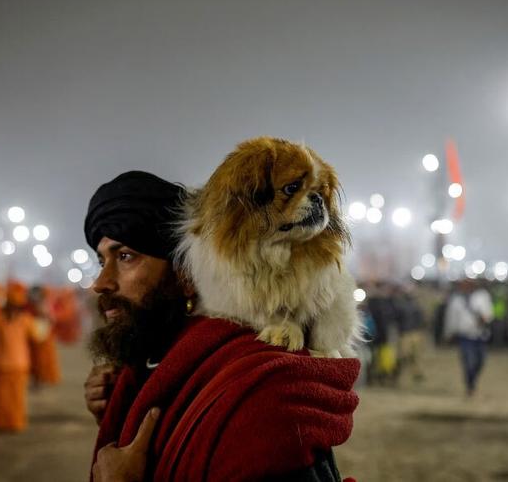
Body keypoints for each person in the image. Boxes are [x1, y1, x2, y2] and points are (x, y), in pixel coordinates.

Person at [83, 171, 359, 482]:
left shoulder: (258, 389)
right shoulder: (148, 364)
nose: (100, 283)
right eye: (101, 261)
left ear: (186, 273)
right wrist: (120, 409)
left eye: (125, 256)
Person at [0, 281, 46, 432]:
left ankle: (5, 423)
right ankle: (9, 423)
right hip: (11, 364)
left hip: (6, 364)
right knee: (8, 398)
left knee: (5, 398)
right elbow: (38, 337)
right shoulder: (18, 321)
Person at [443, 279, 493, 396]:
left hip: (480, 335)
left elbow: (489, 314)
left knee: (480, 361)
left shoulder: (482, 296)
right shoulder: (456, 300)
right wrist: (448, 333)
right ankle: (470, 385)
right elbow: (451, 318)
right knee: (469, 362)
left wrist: (485, 318)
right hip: (465, 336)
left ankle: (473, 379)